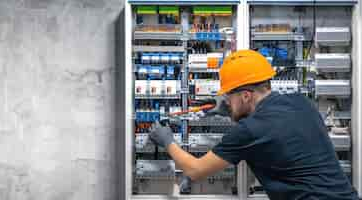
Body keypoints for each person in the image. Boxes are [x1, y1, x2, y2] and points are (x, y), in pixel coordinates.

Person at [149, 50, 359, 199]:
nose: (226, 102)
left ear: (246, 96)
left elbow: (194, 170)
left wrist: (167, 140)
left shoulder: (249, 130)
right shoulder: (301, 102)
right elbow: (274, 130)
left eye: (229, 97)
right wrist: (232, 112)